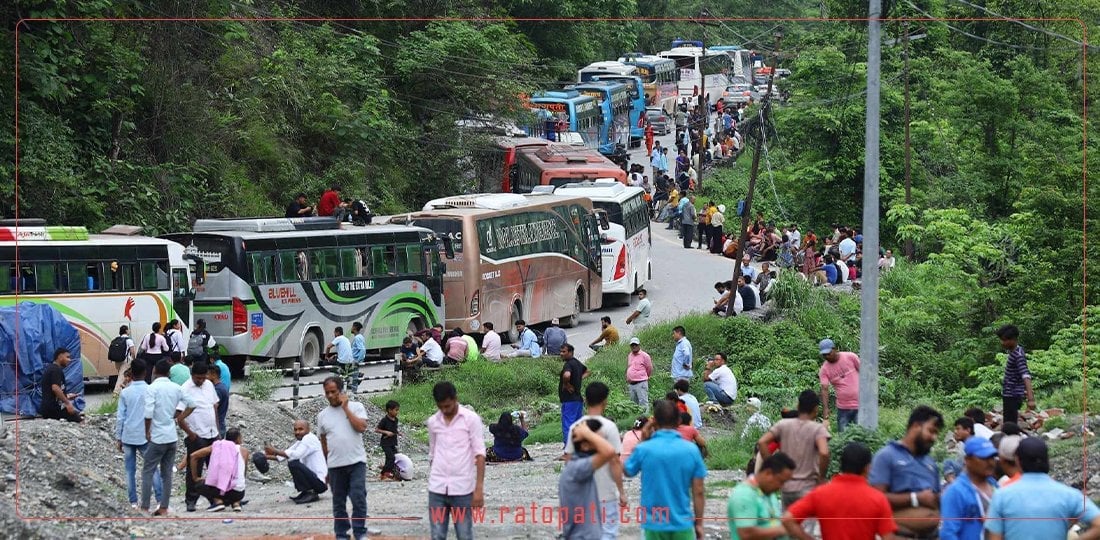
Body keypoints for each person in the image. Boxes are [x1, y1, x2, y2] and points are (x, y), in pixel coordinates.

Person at [986, 437, 1100, 540]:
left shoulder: (1002, 495)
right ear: (1047, 460)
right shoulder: (1069, 494)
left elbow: (995, 537)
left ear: (1018, 461)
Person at [624, 399, 707, 540]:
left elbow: (628, 470)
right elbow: (698, 491)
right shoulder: (691, 450)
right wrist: (698, 523)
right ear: (678, 420)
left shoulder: (645, 449)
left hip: (653, 525)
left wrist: (643, 438)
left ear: (654, 421)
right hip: (682, 524)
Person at [780, 442, 898, 540]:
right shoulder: (878, 498)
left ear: (841, 465)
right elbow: (888, 537)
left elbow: (788, 520)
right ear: (867, 468)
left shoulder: (821, 493)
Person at [869, 405, 945, 540]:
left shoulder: (930, 462)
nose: (934, 437)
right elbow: (876, 499)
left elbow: (935, 497)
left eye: (936, 434)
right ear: (916, 426)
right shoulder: (886, 456)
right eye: (931, 431)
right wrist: (916, 498)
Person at [564, 382, 626, 540]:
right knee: (607, 534)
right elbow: (615, 462)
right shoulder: (609, 427)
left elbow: (569, 462)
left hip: (582, 495)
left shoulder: (576, 427)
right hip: (605, 492)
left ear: (585, 399)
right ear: (605, 401)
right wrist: (621, 491)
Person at [427, 381, 486, 540]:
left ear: (455, 399)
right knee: (437, 535)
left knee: (464, 534)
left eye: (448, 406)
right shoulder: (433, 422)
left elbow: (480, 454)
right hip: (437, 489)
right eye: (441, 407)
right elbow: (432, 453)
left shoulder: (471, 419)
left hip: (462, 490)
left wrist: (478, 489)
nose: (445, 410)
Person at [757, 390, 830, 510]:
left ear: (798, 406)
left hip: (786, 487)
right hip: (808, 488)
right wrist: (821, 477)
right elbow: (824, 452)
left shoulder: (783, 424)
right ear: (816, 410)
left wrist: (774, 468)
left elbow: (762, 442)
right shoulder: (817, 429)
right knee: (805, 527)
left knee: (787, 524)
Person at [317, 376, 370, 540]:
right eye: (327, 393)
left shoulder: (356, 407)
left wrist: (346, 408)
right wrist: (326, 467)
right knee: (338, 502)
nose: (331, 395)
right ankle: (341, 534)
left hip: (357, 462)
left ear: (341, 391)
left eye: (333, 391)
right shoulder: (322, 416)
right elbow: (324, 443)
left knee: (358, 496)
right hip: (335, 465)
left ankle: (360, 532)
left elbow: (361, 427)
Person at [142, 359, 195, 515]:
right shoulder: (176, 388)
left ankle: (145, 506)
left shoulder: (152, 388)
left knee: (148, 471)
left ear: (155, 372)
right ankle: (164, 507)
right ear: (169, 373)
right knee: (167, 473)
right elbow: (192, 404)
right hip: (171, 437)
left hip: (157, 437)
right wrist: (180, 418)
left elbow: (148, 413)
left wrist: (147, 431)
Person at [559, 419, 618, 540]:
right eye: (599, 440)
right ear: (585, 445)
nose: (603, 442)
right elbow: (610, 451)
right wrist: (587, 433)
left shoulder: (576, 465)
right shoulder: (578, 468)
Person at [116, 359, 163, 509]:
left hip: (128, 435)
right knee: (152, 467)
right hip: (146, 435)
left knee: (130, 470)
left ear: (131, 374)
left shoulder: (125, 392)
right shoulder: (151, 390)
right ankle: (160, 499)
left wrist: (119, 437)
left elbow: (120, 417)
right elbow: (155, 413)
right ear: (145, 372)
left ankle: (133, 502)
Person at [178, 363, 221, 512]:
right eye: (198, 378)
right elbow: (179, 415)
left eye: (203, 378)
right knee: (194, 470)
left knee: (215, 467)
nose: (201, 380)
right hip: (196, 434)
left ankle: (216, 499)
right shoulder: (185, 389)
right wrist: (190, 434)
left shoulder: (209, 385)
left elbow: (214, 407)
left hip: (212, 433)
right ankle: (191, 500)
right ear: (192, 375)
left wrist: (218, 430)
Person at [940, 437, 999, 540]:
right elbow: (948, 533)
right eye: (984, 458)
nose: (990, 463)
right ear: (968, 460)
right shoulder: (956, 492)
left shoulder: (995, 486)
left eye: (992, 457)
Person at [728, 453, 796, 540]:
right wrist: (781, 530)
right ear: (768, 473)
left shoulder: (768, 493)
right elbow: (746, 533)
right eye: (780, 481)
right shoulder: (744, 495)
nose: (781, 486)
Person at [263, 419, 328, 504]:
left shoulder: (309, 438)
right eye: (295, 430)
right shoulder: (300, 442)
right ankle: (306, 492)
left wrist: (274, 450)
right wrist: (265, 457)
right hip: (315, 481)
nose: (297, 432)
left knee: (293, 463)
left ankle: (311, 493)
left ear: (308, 429)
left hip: (320, 483)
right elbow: (284, 455)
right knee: (292, 461)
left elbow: (296, 455)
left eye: (301, 429)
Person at [190, 427, 249, 512]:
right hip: (239, 493)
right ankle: (236, 503)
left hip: (218, 491)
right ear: (238, 439)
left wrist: (195, 477)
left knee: (199, 484)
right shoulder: (244, 451)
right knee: (236, 482)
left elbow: (193, 456)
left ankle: (218, 502)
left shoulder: (218, 445)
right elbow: (243, 473)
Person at [817, 338, 861, 432]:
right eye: (824, 355)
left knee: (862, 435)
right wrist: (825, 412)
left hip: (860, 405)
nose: (827, 356)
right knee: (843, 438)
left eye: (828, 353)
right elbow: (824, 389)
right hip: (843, 408)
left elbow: (864, 373)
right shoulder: (824, 370)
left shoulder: (850, 357)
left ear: (834, 349)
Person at [995, 325, 1035, 426]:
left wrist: (1030, 399)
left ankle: (1013, 440)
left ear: (1013, 339)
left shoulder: (1018, 356)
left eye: (1004, 340)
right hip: (1010, 394)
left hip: (1013, 395)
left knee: (1009, 424)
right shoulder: (1015, 352)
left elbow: (1026, 375)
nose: (1002, 343)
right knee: (1009, 423)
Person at [39, 347, 81, 422]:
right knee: (79, 420)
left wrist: (66, 396)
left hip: (48, 408)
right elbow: (55, 388)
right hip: (53, 409)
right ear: (60, 356)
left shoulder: (52, 369)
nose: (70, 360)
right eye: (67, 357)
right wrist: (67, 403)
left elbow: (51, 391)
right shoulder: (55, 370)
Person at [559, 344, 588, 447]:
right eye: (561, 351)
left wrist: (566, 384)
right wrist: (578, 380)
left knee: (568, 424)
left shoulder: (568, 364)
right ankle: (580, 446)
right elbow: (587, 371)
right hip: (578, 399)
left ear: (570, 352)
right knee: (578, 424)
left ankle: (568, 448)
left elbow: (567, 375)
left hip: (569, 400)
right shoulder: (576, 363)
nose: (561, 354)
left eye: (564, 352)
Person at [625, 337, 653, 412]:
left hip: (641, 383)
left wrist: (644, 377)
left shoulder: (645, 356)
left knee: (643, 403)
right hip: (631, 383)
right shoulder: (630, 355)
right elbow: (629, 366)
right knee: (633, 404)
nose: (634, 346)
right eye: (632, 345)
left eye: (635, 345)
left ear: (639, 345)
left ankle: (645, 420)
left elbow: (649, 368)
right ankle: (636, 420)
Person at [375, 400, 400, 481]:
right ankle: (383, 472)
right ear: (389, 410)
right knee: (391, 458)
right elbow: (377, 429)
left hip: (393, 442)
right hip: (385, 443)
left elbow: (394, 429)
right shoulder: (384, 420)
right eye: (396, 410)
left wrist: (398, 432)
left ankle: (387, 473)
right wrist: (386, 432)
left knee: (395, 457)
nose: (397, 412)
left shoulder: (396, 419)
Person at [110, 325, 138, 394]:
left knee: (124, 375)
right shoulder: (129, 340)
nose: (129, 331)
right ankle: (116, 392)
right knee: (122, 376)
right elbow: (132, 351)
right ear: (126, 331)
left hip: (117, 360)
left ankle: (126, 389)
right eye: (128, 330)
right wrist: (134, 359)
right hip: (126, 361)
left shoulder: (116, 339)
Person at [206, 364, 229, 437]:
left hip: (217, 427)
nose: (206, 377)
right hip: (220, 425)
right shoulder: (222, 386)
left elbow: (214, 407)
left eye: (207, 374)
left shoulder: (217, 390)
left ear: (214, 375)